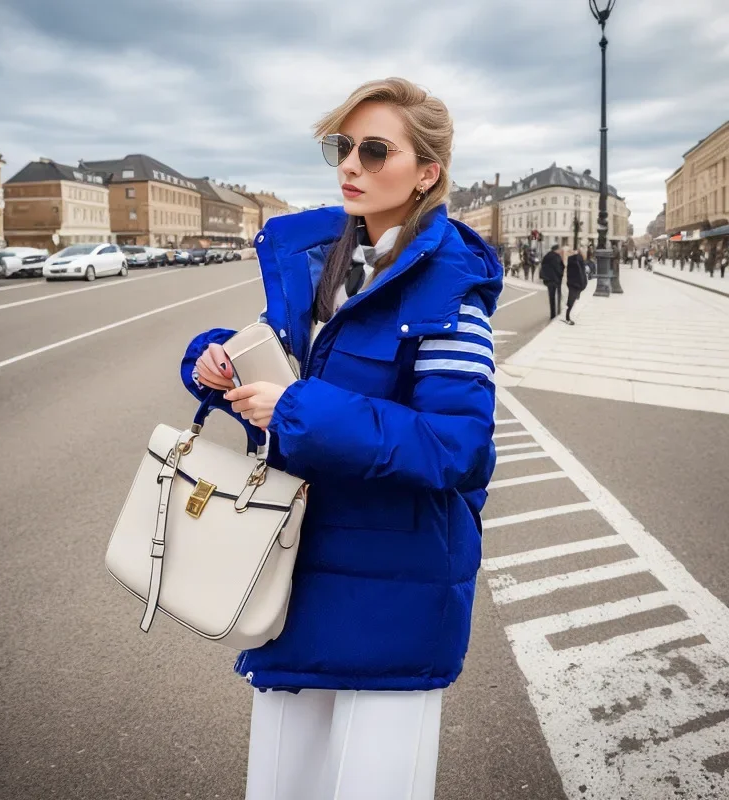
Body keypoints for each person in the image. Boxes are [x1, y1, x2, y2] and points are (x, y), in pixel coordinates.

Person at [180, 77, 501, 800]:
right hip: (296, 574)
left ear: (428, 173)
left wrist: (298, 407)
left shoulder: (450, 289)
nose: (349, 164)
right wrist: (217, 362)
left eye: (373, 149)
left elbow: (459, 447)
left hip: (397, 589)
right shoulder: (321, 264)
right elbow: (286, 364)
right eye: (340, 146)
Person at [564, 248, 588, 325]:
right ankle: (567, 318)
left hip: (572, 283)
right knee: (572, 300)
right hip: (577, 283)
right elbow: (581, 274)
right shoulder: (579, 260)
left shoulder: (572, 260)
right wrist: (583, 284)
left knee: (572, 299)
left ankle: (567, 316)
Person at [540, 244, 564, 319]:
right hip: (556, 279)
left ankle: (552, 314)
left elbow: (542, 266)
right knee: (559, 295)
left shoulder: (546, 256)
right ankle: (558, 311)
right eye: (559, 249)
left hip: (548, 279)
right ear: (556, 250)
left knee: (551, 297)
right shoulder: (557, 257)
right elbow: (560, 267)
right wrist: (560, 274)